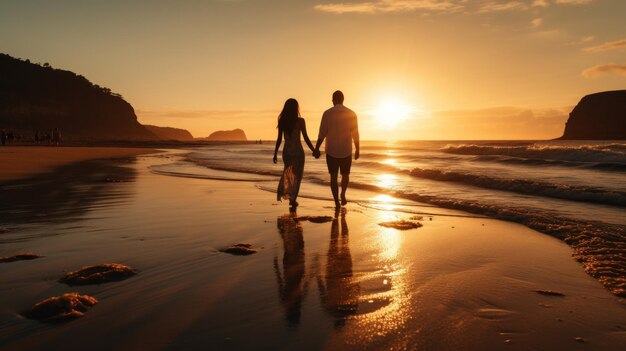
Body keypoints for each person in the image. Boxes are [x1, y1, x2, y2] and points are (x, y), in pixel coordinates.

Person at [314, 91, 360, 208]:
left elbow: (322, 133)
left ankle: (336, 202)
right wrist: (358, 149)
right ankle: (343, 194)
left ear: (333, 100)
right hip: (346, 150)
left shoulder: (327, 113)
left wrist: (316, 148)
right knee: (345, 175)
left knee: (333, 177)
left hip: (331, 151)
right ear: (343, 99)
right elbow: (355, 133)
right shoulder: (351, 114)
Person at [273, 98, 316, 208]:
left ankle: (287, 193)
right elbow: (306, 138)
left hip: (287, 151)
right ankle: (293, 199)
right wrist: (314, 150)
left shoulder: (282, 121)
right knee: (297, 176)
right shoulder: (300, 121)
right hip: (297, 152)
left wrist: (275, 153)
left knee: (288, 174)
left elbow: (279, 139)